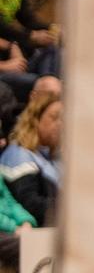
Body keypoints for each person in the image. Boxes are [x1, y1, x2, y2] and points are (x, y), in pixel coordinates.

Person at [0, 91, 59, 226]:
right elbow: (30, 203)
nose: (61, 124)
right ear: (35, 120)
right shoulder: (18, 154)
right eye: (55, 117)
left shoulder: (48, 156)